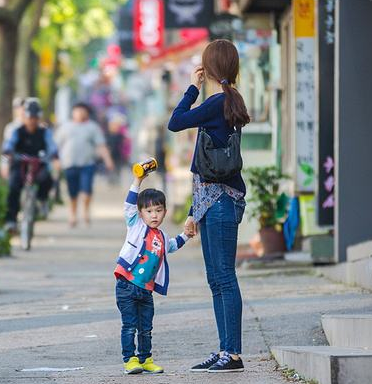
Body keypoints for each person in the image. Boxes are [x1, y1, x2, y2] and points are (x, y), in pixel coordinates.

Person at [168, 39, 250, 373]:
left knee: (223, 278)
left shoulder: (217, 102)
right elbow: (204, 164)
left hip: (220, 203)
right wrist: (192, 212)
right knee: (217, 278)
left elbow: (175, 122)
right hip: (216, 203)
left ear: (210, 69)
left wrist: (191, 87)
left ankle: (231, 354)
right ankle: (224, 350)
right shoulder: (229, 102)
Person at [114, 171, 193, 375]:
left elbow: (173, 246)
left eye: (158, 210)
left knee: (146, 328)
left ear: (165, 212)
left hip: (146, 291)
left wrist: (186, 234)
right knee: (130, 325)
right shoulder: (135, 226)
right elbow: (130, 204)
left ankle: (146, 359)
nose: (154, 215)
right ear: (140, 213)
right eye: (149, 211)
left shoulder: (163, 237)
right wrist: (138, 180)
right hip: (127, 286)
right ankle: (130, 360)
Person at [54, 102, 115, 227]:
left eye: (83, 111)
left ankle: (86, 211)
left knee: (87, 190)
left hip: (87, 164)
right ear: (73, 112)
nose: (80, 113)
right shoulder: (65, 127)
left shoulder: (92, 127)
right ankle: (73, 214)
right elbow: (56, 146)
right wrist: (56, 160)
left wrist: (108, 160)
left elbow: (101, 145)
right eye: (77, 110)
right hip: (69, 164)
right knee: (72, 192)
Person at [2, 99, 58, 231]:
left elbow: (52, 147)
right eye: (30, 117)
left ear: (39, 118)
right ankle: (11, 220)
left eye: (35, 118)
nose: (32, 121)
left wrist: (55, 158)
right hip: (20, 163)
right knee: (13, 188)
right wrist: (6, 158)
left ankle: (42, 200)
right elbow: (8, 146)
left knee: (47, 179)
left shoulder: (45, 132)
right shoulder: (17, 131)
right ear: (25, 117)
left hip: (39, 162)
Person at [0, 97, 26, 179]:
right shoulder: (11, 128)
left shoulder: (35, 127)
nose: (22, 111)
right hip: (16, 164)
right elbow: (6, 148)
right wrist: (4, 164)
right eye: (19, 108)